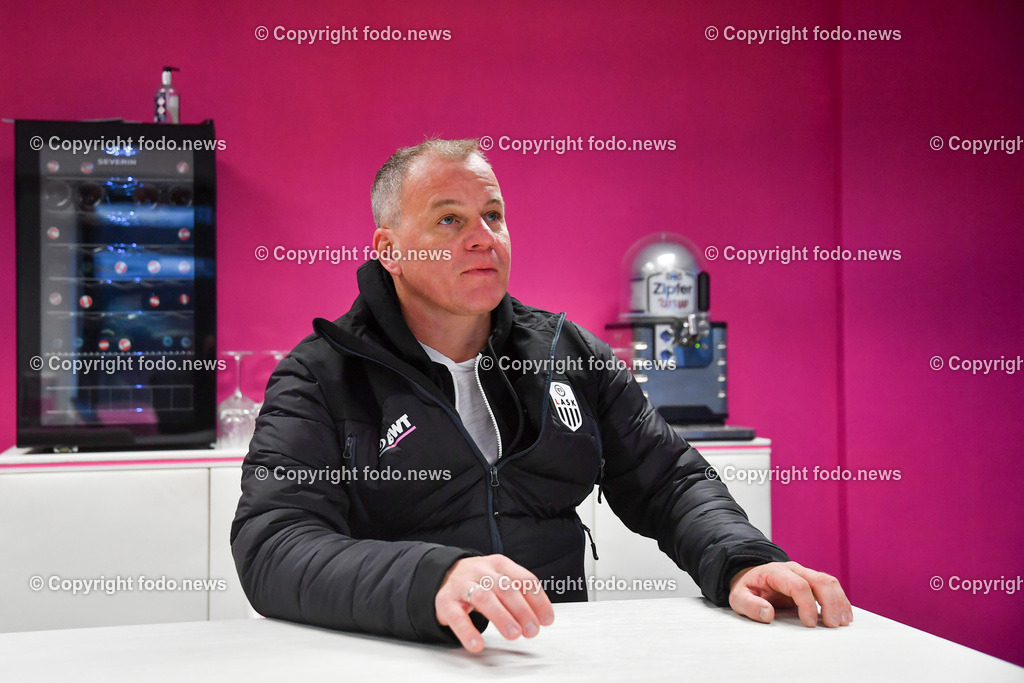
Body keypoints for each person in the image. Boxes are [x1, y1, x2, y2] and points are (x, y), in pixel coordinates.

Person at [230, 138, 853, 653]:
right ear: (389, 250)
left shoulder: (566, 350)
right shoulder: (319, 376)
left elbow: (669, 481)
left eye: (493, 216)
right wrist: (436, 577)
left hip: (547, 654)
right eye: (450, 219)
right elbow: (275, 547)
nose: (483, 237)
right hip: (400, 656)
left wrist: (743, 560)